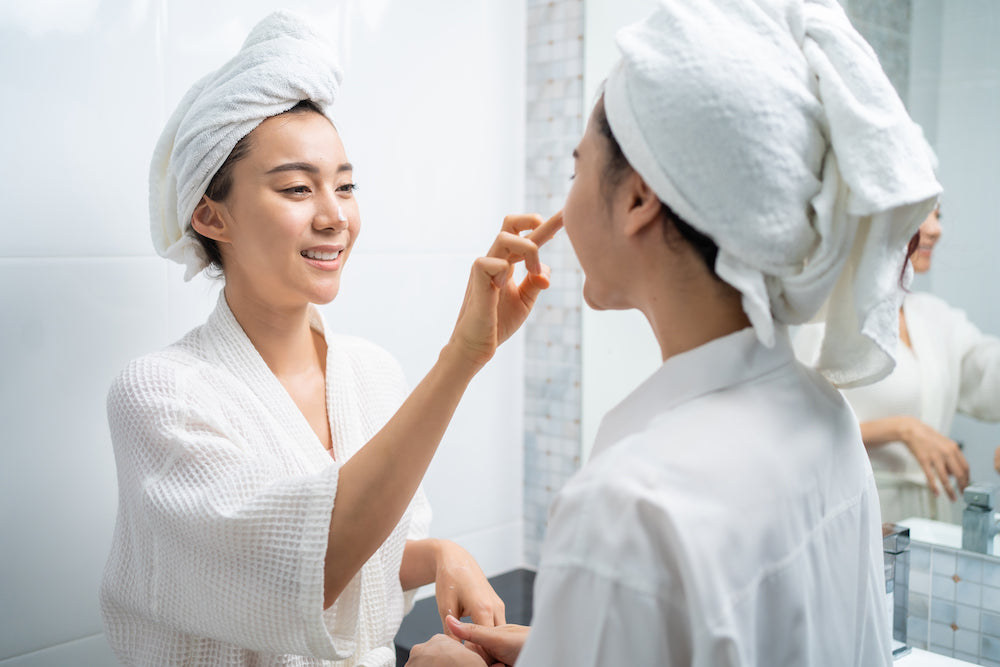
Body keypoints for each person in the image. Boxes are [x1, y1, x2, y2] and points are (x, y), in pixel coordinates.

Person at [405, 0, 940, 664]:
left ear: (638, 199)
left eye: (576, 170)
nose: (562, 210)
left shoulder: (629, 507)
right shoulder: (825, 418)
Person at [100, 11, 561, 667]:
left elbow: (358, 556)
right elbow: (297, 569)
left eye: (345, 185)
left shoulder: (371, 373)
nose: (334, 215)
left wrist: (439, 555)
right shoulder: (160, 395)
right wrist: (460, 360)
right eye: (296, 187)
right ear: (210, 214)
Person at [796, 203, 1000, 524]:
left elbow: (989, 375)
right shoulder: (823, 320)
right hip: (856, 515)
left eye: (939, 215)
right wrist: (901, 429)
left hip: (931, 521)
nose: (936, 229)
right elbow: (797, 432)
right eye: (923, 214)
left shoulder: (937, 317)